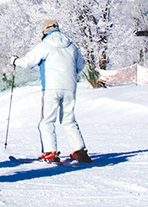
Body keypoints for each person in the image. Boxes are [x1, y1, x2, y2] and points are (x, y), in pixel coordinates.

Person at [12, 20, 93, 164]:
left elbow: (28, 62)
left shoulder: (45, 45)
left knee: (47, 121)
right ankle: (80, 152)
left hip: (51, 87)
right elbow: (81, 65)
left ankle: (50, 153)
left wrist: (15, 61)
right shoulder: (72, 46)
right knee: (69, 120)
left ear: (45, 32)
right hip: (70, 87)